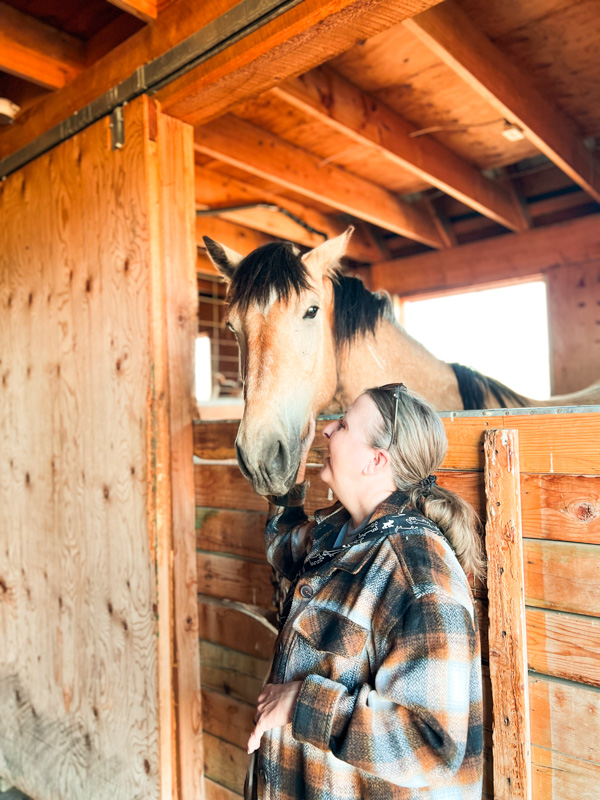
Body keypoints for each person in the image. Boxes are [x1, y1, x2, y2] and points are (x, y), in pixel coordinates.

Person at [245, 384, 484, 800]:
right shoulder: (340, 535)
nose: (326, 432)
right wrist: (288, 477)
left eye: (342, 425)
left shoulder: (419, 575)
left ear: (376, 460)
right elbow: (284, 545)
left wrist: (301, 702)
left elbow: (433, 745)